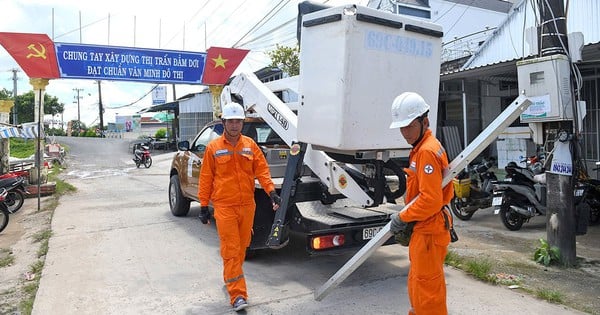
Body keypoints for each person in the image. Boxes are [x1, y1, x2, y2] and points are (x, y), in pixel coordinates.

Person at [197, 102, 281, 312]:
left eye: (238, 121)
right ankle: (237, 295)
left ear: (242, 123)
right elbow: (206, 178)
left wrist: (271, 192)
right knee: (231, 250)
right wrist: (204, 205)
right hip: (225, 207)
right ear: (223, 122)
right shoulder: (213, 148)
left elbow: (262, 170)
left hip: (247, 206)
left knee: (243, 247)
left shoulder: (250, 145)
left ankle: (230, 278)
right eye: (230, 121)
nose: (234, 125)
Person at [388, 92, 454, 315]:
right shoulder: (423, 147)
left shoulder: (426, 152)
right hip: (425, 229)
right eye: (401, 127)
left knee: (427, 290)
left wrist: (402, 216)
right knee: (419, 283)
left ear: (424, 121)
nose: (404, 132)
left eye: (409, 126)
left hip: (429, 230)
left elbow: (430, 200)